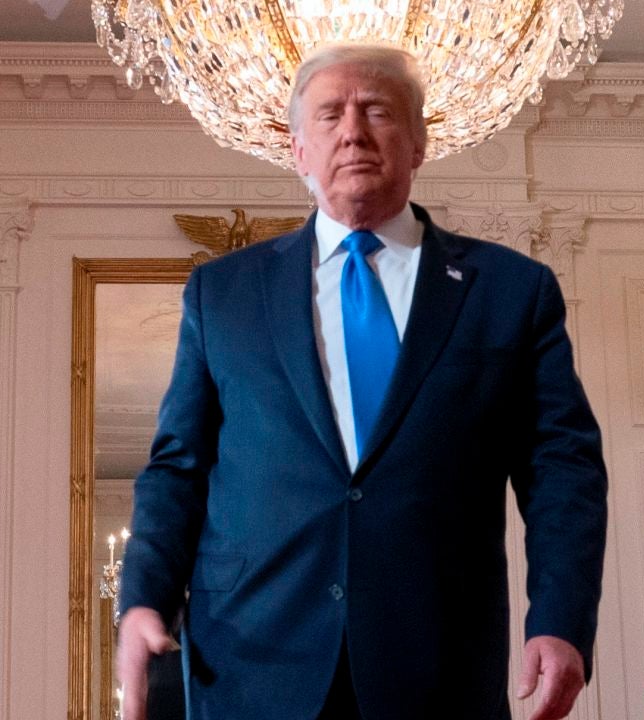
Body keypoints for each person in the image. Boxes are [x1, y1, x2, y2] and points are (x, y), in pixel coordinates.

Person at [115, 43, 609, 720]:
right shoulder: (222, 293)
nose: (352, 131)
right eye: (329, 115)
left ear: (419, 144)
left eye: (376, 110)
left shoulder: (511, 292)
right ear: (299, 152)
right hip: (250, 664)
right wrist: (144, 596)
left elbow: (563, 469)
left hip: (438, 665)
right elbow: (178, 468)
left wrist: (561, 618)